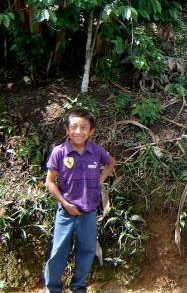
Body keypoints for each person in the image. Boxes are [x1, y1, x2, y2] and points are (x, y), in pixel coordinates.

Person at [44, 108, 116, 293]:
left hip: (89, 211)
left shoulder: (96, 151)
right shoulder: (59, 152)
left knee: (87, 250)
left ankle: (78, 287)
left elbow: (111, 162)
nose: (78, 131)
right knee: (59, 251)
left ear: (91, 131)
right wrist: (65, 203)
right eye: (74, 127)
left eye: (83, 127)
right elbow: (50, 182)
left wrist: (98, 181)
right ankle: (52, 288)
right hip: (65, 213)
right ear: (67, 130)